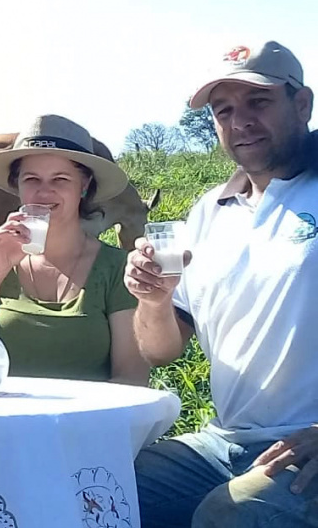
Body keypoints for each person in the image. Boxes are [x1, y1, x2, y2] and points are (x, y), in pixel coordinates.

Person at [126, 41, 318, 527]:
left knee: (227, 515)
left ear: (302, 103)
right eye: (224, 110)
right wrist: (154, 299)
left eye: (259, 102)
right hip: (223, 440)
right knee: (105, 484)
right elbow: (161, 351)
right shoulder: (209, 210)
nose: (241, 122)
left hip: (307, 444)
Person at [0, 114, 150, 386]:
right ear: (17, 186)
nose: (44, 192)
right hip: (1, 422)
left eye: (60, 179)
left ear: (83, 187)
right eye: (31, 179)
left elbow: (132, 377)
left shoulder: (117, 268)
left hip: (87, 425)